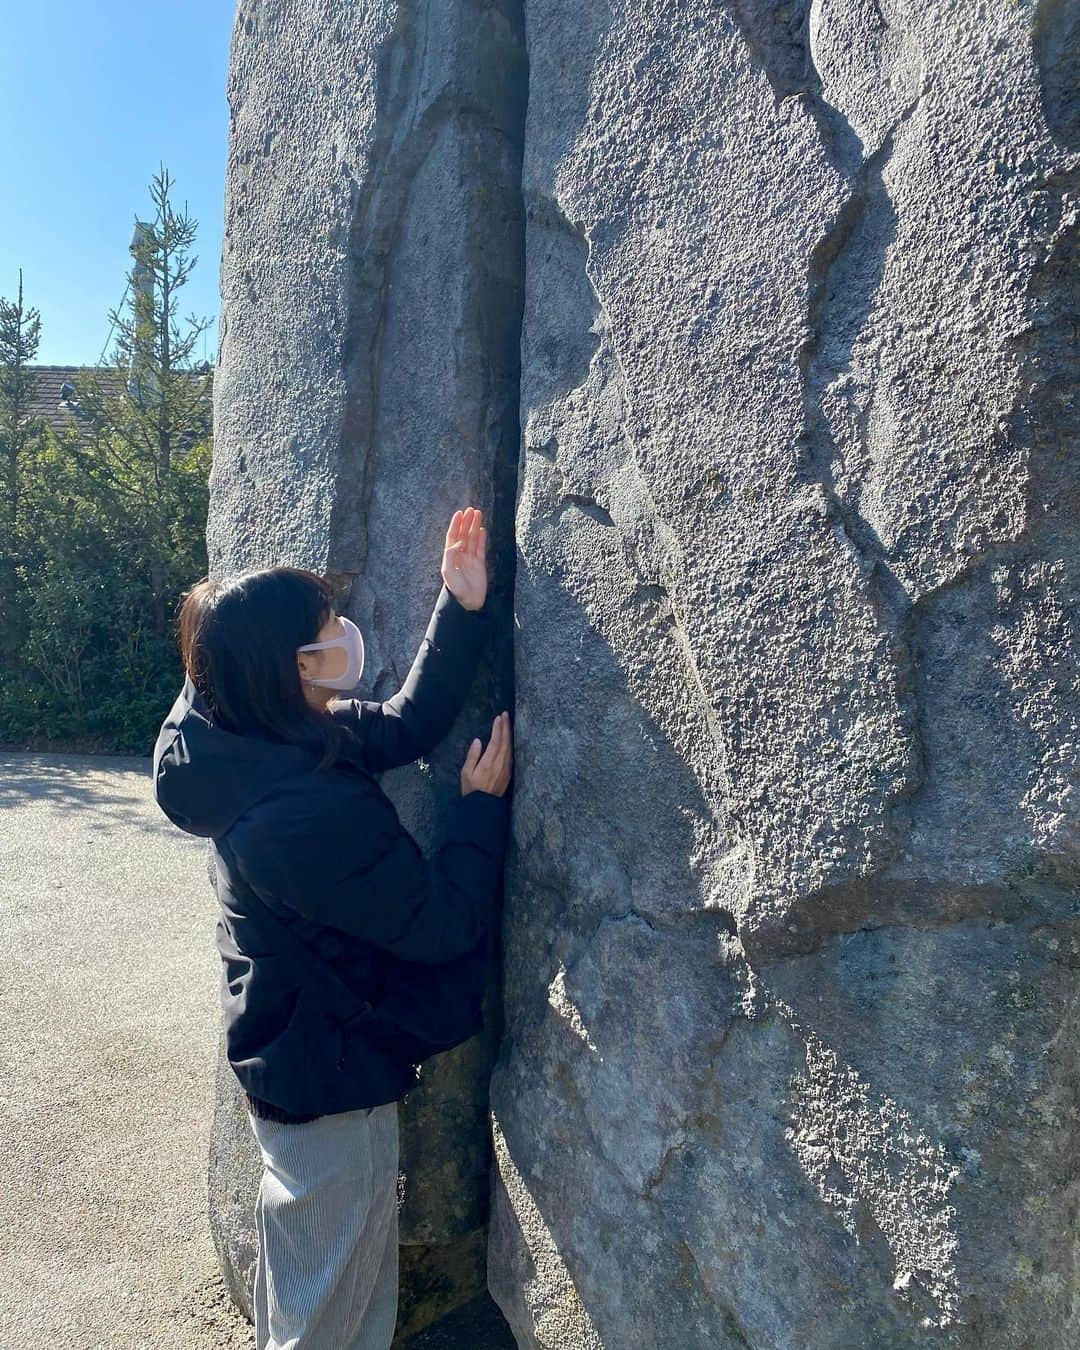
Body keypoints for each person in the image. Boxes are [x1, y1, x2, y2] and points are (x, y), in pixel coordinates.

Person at [151, 505, 512, 1350]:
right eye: (325, 631)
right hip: (327, 1082)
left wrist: (459, 606)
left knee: (328, 1286)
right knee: (326, 1313)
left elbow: (403, 726)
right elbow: (436, 923)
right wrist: (476, 815)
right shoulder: (296, 812)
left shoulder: (248, 738)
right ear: (293, 666)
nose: (342, 636)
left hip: (298, 1057)